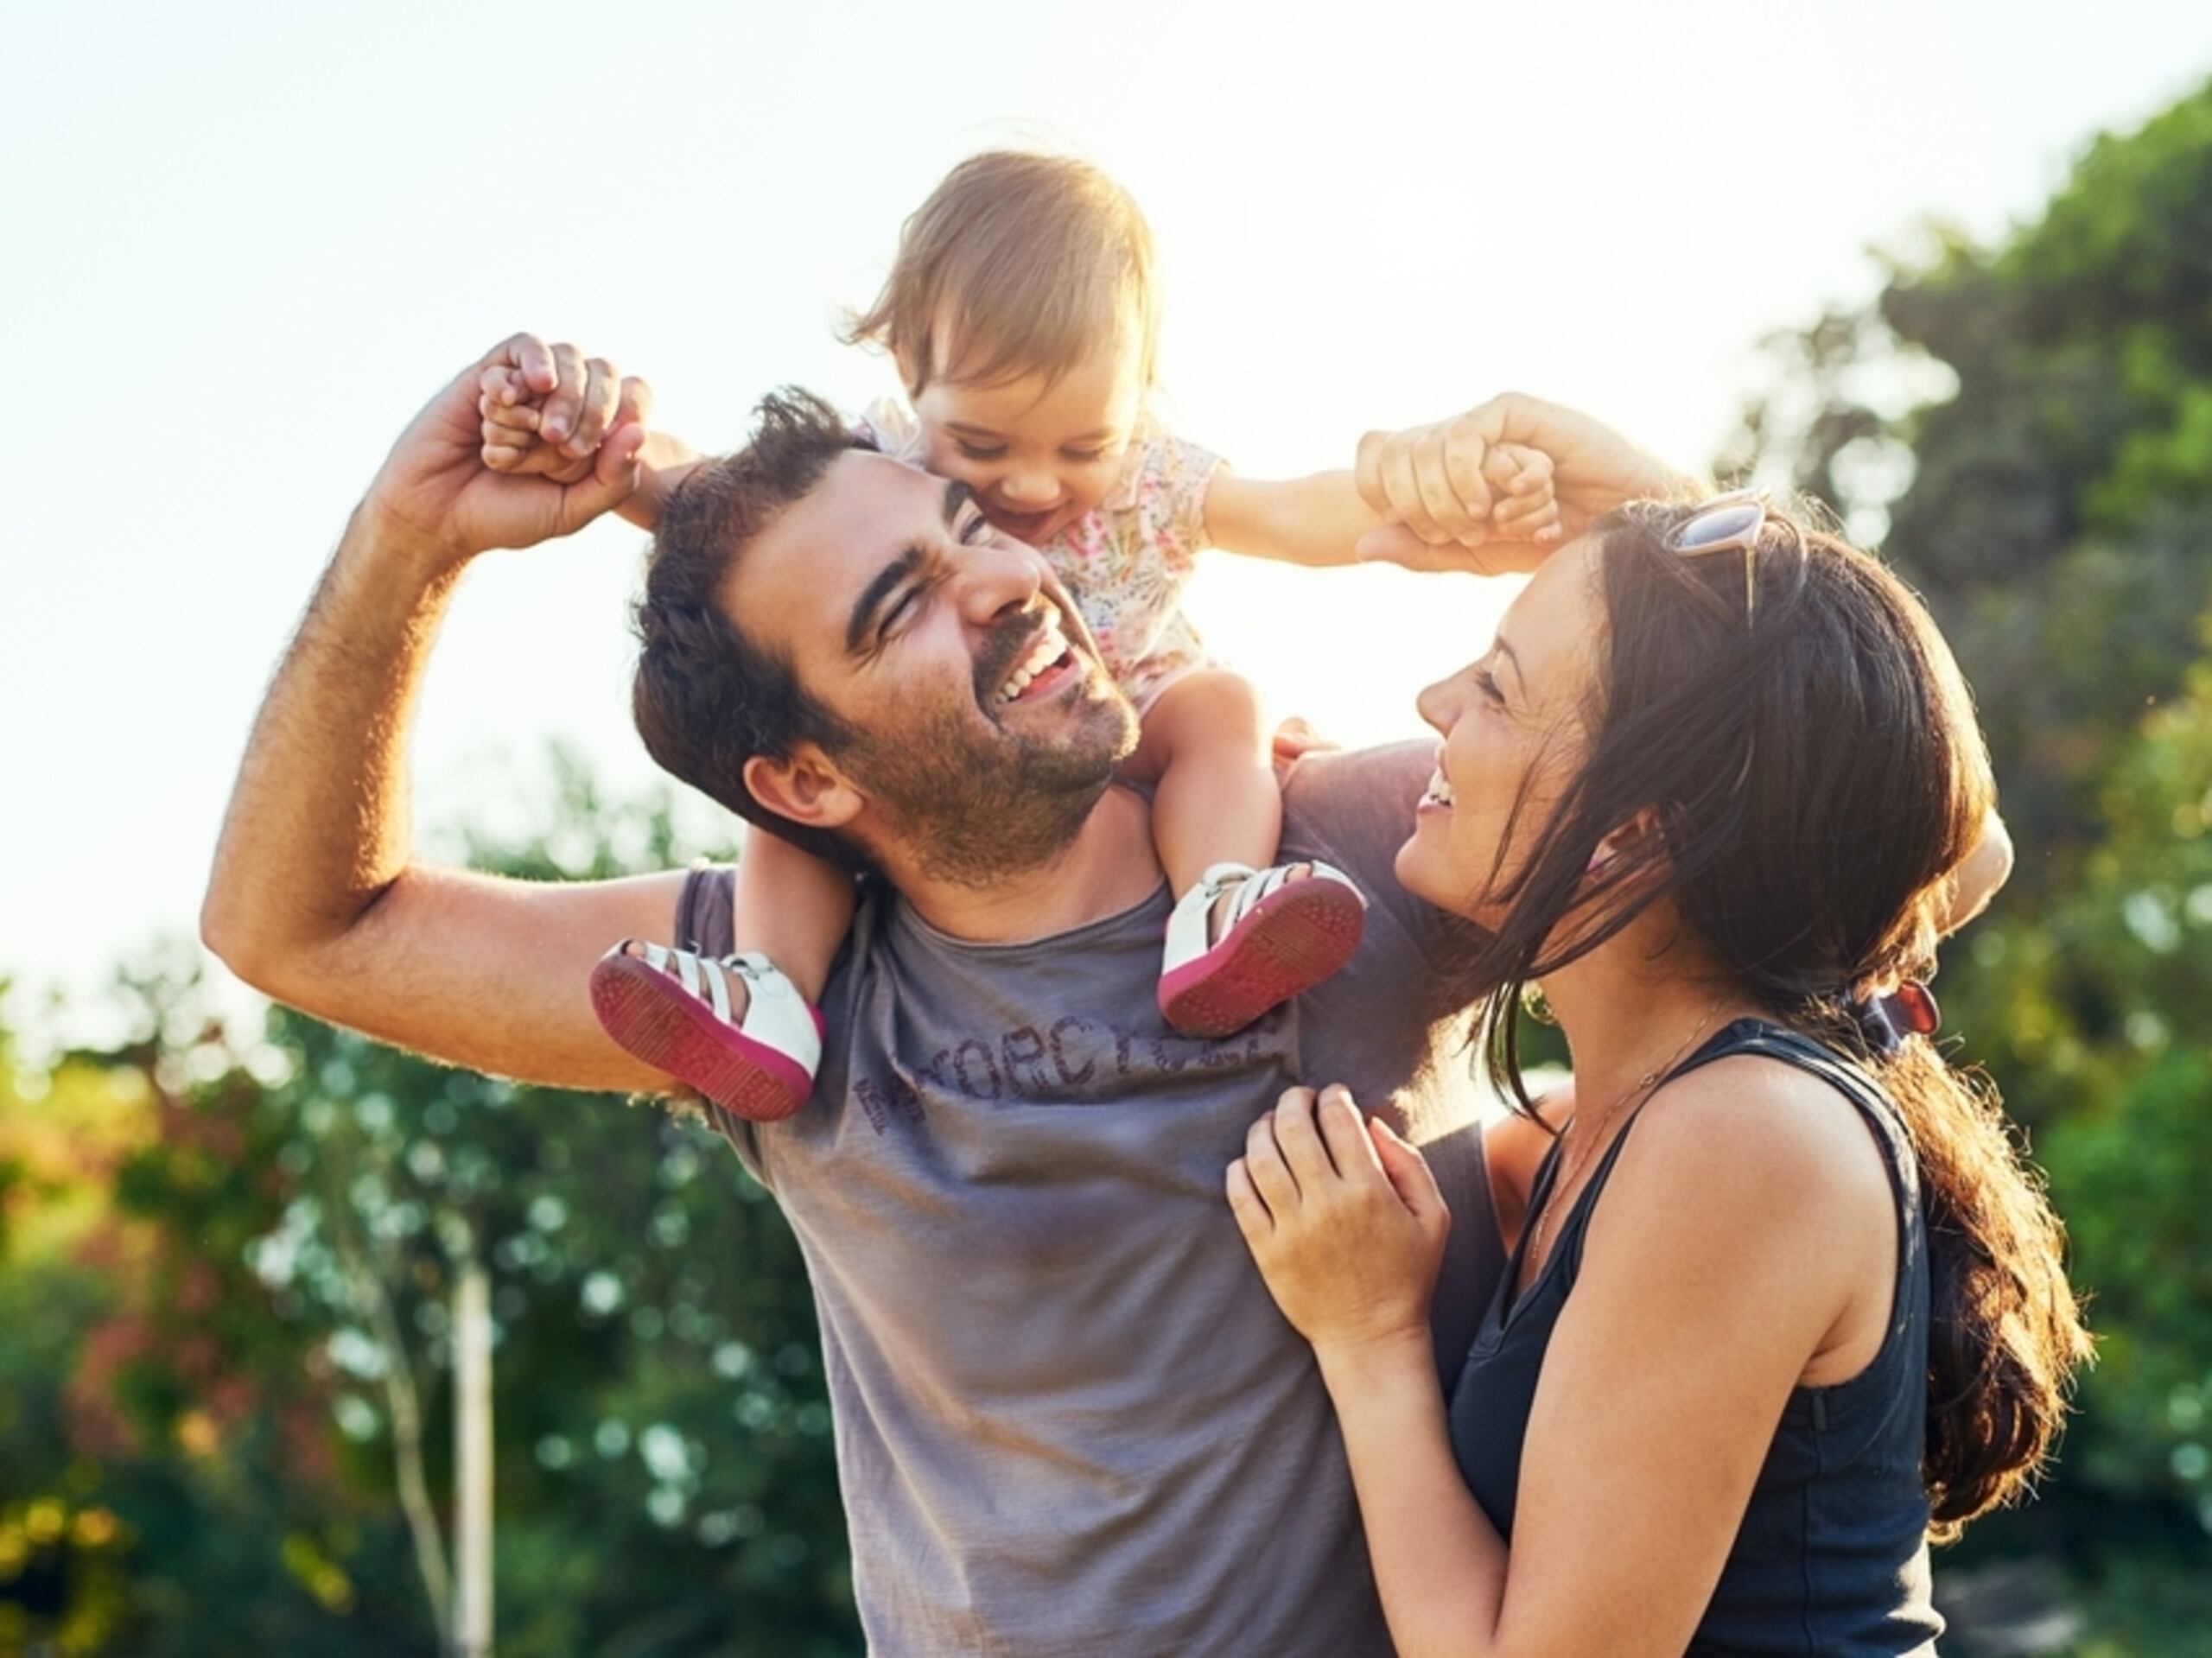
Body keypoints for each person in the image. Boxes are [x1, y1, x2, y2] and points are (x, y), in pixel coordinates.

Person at [204, 334, 1635, 1655]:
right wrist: (411, 538)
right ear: (807, 781)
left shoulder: (1364, 851)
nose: (1010, 579)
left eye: (976, 531)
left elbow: (1806, 792)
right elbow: (300, 927)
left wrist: (1631, 495)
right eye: (904, 609)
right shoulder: (769, 998)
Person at [475, 151, 1561, 1119]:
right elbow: (699, 488)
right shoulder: (877, 471)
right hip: (962, 752)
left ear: (1138, 398)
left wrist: (1422, 500)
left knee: (1221, 706)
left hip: (1126, 718)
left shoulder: (1150, 478)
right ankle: (770, 993)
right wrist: (588, 437)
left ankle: (1218, 902)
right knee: (807, 800)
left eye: (1083, 442)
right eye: (984, 442)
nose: (1034, 484)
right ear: (909, 365)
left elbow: (1291, 511)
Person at [1226, 460, 2090, 1654]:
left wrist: (1369, 1341)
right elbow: (1914, 820)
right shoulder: (1602, 1129)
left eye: (1498, 686)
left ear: (1630, 830)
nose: (1434, 699)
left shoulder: (1745, 1138)